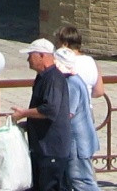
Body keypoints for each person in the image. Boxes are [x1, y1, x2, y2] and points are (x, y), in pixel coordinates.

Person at [12, 38, 74, 191]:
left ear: (42, 55)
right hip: (42, 148)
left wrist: (24, 113)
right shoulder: (42, 77)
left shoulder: (53, 78)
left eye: (30, 55)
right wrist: (29, 123)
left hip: (52, 149)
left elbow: (50, 110)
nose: (28, 59)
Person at [53, 27, 103, 191]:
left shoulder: (67, 66)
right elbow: (99, 91)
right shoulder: (90, 61)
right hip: (88, 114)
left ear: (65, 44)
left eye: (58, 44)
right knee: (82, 165)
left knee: (78, 174)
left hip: (74, 120)